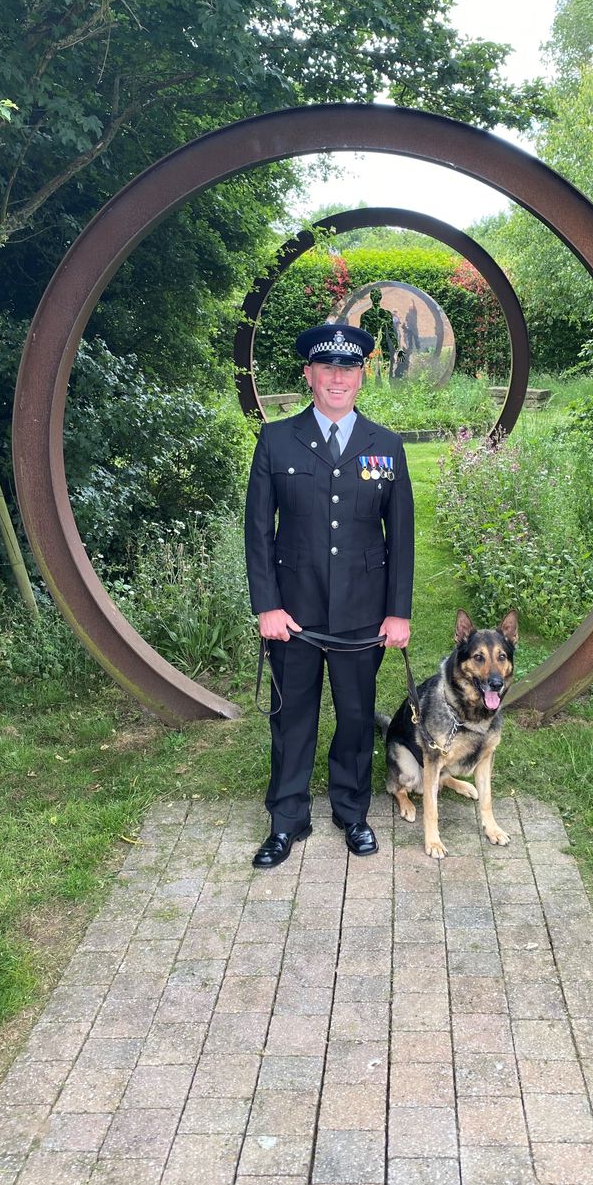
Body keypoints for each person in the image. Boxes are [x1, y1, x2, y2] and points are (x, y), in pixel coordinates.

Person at [245, 322, 414, 868]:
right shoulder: (276, 440)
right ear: (309, 375)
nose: (337, 378)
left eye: (348, 369)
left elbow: (401, 537)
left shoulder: (385, 445)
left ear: (362, 377)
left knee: (355, 714)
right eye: (327, 369)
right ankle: (286, 819)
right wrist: (267, 606)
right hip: (293, 613)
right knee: (293, 716)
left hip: (362, 613)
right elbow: (258, 531)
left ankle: (352, 811)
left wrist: (398, 613)